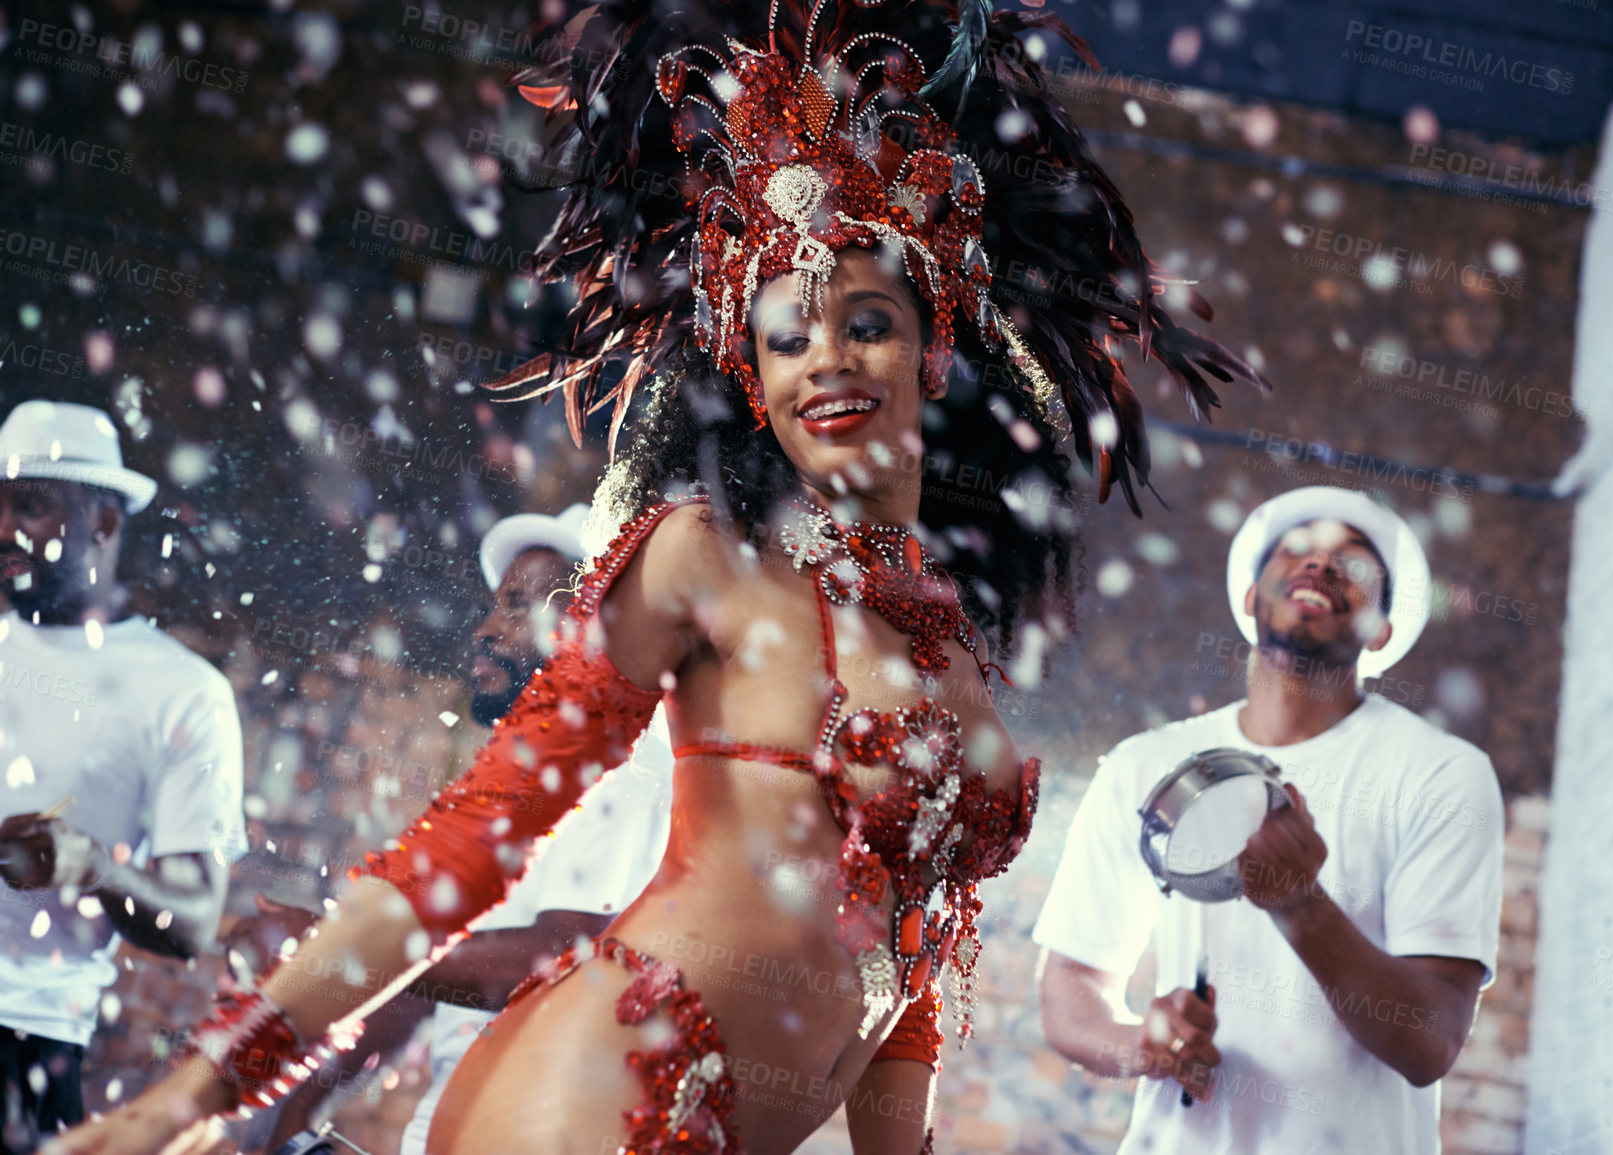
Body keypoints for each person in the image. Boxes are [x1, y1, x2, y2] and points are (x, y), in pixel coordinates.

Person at [52, 2, 1264, 1152]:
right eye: (785, 337)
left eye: (866, 323)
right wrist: (202, 1087)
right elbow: (474, 840)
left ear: (932, 341)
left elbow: (923, 960)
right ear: (749, 373)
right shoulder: (702, 558)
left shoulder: (950, 631)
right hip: (591, 1106)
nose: (825, 362)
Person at [1034, 485, 1505, 1155]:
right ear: (1250, 596)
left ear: (1382, 628)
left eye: (1355, 561)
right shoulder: (1146, 764)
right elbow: (1070, 984)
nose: (1320, 563)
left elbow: (1429, 1040)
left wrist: (1300, 906)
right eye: (1296, 548)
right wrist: (1141, 1042)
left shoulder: (1439, 773)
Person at [254, 503, 673, 1155]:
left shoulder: (623, 763)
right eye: (494, 605)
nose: (484, 628)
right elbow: (425, 986)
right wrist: (291, 1125)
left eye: (516, 606)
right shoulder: (525, 777)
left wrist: (338, 950)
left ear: (591, 621)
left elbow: (559, 959)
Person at [0, 400, 247, 1153]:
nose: (2, 526)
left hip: (21, 1040)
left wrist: (90, 866)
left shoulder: (182, 691)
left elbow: (196, 921)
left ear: (103, 523)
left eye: (31, 506)